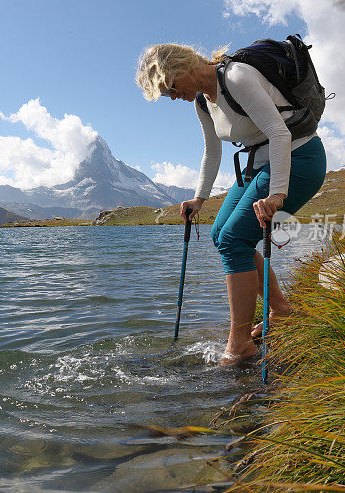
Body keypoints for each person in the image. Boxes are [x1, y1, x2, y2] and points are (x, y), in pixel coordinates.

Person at [135, 43, 326, 365]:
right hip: (257, 166)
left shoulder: (237, 77)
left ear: (180, 68)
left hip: (299, 158)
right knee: (221, 235)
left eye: (169, 89)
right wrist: (199, 197)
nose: (171, 97)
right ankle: (282, 311)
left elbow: (279, 134)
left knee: (235, 239)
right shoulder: (201, 101)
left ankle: (240, 342)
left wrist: (277, 194)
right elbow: (212, 152)